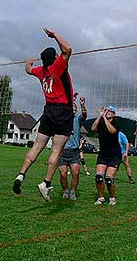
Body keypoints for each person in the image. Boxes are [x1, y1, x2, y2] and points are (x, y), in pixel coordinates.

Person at [12, 28, 73, 202]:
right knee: (56, 150)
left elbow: (28, 70)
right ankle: (46, 183)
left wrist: (27, 63)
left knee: (37, 147)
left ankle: (21, 175)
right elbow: (67, 49)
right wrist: (54, 35)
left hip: (48, 111)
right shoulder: (57, 66)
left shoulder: (41, 71)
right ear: (55, 58)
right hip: (63, 112)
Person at [91, 105, 121, 206]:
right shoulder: (101, 122)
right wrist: (100, 116)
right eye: (106, 110)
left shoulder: (116, 122)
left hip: (114, 155)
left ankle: (112, 198)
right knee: (98, 177)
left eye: (110, 111)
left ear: (113, 114)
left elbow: (112, 131)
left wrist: (104, 118)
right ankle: (101, 197)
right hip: (103, 154)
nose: (107, 112)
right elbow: (93, 128)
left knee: (109, 179)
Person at [58, 96, 87, 201]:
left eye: (75, 109)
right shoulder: (62, 118)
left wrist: (82, 105)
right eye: (72, 108)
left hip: (74, 151)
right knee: (63, 174)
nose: (74, 109)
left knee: (75, 173)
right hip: (62, 151)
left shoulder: (77, 119)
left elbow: (84, 115)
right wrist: (71, 100)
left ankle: (73, 192)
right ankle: (65, 190)